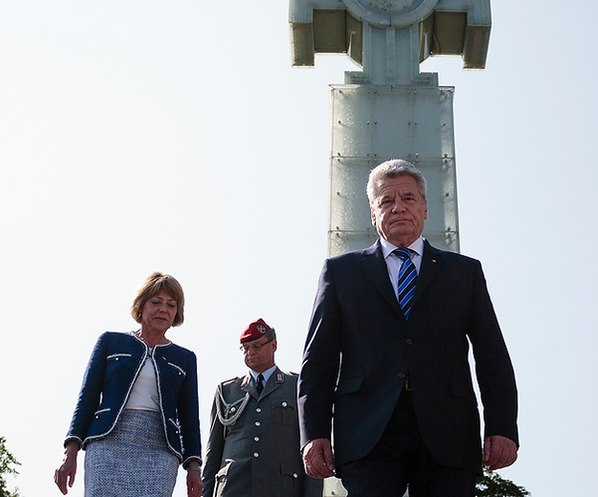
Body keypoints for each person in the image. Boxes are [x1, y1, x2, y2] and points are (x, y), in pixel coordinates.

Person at [298, 159, 519, 497]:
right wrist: (313, 434)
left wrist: (502, 426)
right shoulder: (340, 273)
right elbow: (318, 360)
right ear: (373, 213)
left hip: (449, 430)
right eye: (386, 201)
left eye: (408, 198)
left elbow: (492, 355)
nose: (398, 208)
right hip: (367, 432)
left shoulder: (464, 273)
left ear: (426, 208)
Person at [55, 272, 202, 497]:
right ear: (141, 306)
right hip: (107, 445)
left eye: (171, 305)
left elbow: (189, 417)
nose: (164, 309)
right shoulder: (110, 342)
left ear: (177, 313)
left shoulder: (185, 358)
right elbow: (87, 398)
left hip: (160, 452)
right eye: (156, 302)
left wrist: (194, 467)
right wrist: (70, 451)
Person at [202, 319, 321, 497]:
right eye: (246, 348)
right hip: (233, 489)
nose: (251, 352)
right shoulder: (227, 391)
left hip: (281, 489)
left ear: (274, 345)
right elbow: (213, 453)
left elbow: (311, 447)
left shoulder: (296, 387)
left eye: (257, 346)